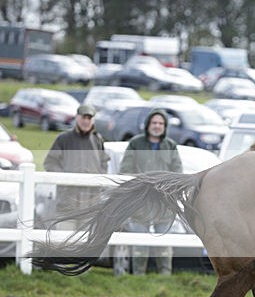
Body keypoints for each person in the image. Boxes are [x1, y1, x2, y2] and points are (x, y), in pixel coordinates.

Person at [119, 109, 182, 275]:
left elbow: (178, 173)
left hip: (164, 204)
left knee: (164, 244)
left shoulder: (170, 146)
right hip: (140, 203)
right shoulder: (135, 144)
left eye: (161, 123)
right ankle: (139, 277)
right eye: (154, 122)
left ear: (165, 126)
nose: (157, 126)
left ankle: (164, 278)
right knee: (140, 244)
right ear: (147, 125)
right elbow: (125, 171)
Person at [43, 104, 109, 229]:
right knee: (64, 239)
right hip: (67, 206)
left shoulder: (98, 140)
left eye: (89, 118)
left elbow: (104, 163)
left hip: (90, 206)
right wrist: (65, 177)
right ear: (77, 117)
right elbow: (50, 162)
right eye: (83, 117)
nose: (86, 121)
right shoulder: (63, 139)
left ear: (93, 120)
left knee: (85, 241)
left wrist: (100, 179)